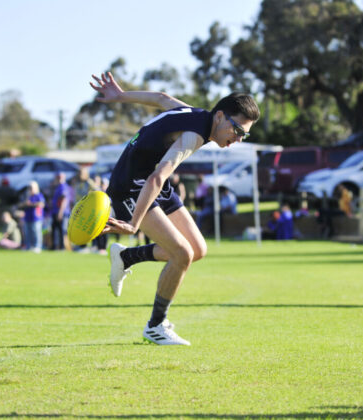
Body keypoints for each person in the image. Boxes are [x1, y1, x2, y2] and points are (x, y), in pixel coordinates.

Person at [90, 71, 259, 345]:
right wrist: (133, 224)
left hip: (152, 179)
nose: (238, 138)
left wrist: (121, 96)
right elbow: (157, 177)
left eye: (244, 135)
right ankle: (155, 326)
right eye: (237, 130)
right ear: (219, 116)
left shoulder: (196, 114)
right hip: (131, 184)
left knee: (197, 250)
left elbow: (161, 98)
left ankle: (127, 258)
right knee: (182, 254)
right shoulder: (193, 135)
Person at [19, 180, 45, 253]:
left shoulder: (39, 195)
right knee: (27, 232)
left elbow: (41, 204)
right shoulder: (28, 196)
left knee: (36, 232)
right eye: (29, 188)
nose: (30, 189)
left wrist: (31, 204)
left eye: (31, 188)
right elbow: (21, 204)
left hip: (36, 217)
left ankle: (37, 246)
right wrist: (25, 203)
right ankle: (28, 246)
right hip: (27, 217)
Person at [50, 172, 73, 251]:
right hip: (55, 211)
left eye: (60, 177)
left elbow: (64, 200)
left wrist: (60, 212)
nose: (58, 179)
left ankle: (62, 247)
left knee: (61, 230)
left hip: (61, 212)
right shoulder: (58, 187)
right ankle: (55, 246)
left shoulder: (63, 187)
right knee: (55, 229)